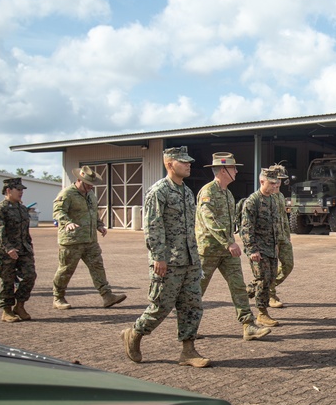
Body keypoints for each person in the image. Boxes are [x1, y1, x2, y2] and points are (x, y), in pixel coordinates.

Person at [121, 147, 209, 368]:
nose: (189, 165)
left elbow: (191, 228)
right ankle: (134, 333)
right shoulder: (158, 191)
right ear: (170, 164)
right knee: (161, 306)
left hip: (189, 260)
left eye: (189, 161)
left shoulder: (187, 192)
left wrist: (196, 258)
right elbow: (153, 226)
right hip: (168, 261)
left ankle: (188, 351)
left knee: (192, 306)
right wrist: (159, 257)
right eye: (183, 162)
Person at [195, 152, 270, 341]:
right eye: (233, 168)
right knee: (196, 291)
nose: (236, 171)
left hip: (227, 251)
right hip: (209, 252)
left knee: (238, 287)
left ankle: (248, 325)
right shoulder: (208, 192)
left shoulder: (227, 193)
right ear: (223, 170)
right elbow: (209, 220)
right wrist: (229, 241)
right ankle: (189, 327)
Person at [51, 166, 127, 310]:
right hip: (72, 241)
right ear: (79, 180)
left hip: (90, 240)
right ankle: (58, 297)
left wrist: (99, 225)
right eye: (88, 184)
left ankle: (107, 296)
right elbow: (58, 211)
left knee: (97, 267)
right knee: (66, 269)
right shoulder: (67, 194)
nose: (91, 187)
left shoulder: (91, 194)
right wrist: (67, 222)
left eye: (92, 184)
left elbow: (93, 213)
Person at [239, 166, 284, 328]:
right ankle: (262, 313)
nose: (274, 186)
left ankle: (244, 294)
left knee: (269, 279)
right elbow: (246, 228)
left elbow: (275, 224)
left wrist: (277, 245)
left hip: (271, 248)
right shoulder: (253, 201)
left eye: (276, 183)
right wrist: (252, 249)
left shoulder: (272, 199)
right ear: (262, 181)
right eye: (271, 183)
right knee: (263, 280)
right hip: (259, 249)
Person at [0, 178, 37, 322]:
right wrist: (8, 248)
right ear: (8, 190)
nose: (21, 192)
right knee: (7, 281)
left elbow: (25, 231)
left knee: (30, 276)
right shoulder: (0, 209)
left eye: (22, 190)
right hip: (6, 252)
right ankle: (6, 310)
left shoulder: (22, 209)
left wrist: (29, 246)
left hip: (23, 249)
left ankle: (20, 306)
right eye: (18, 190)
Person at [268, 163, 293, 308]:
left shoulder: (281, 196)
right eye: (276, 179)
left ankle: (263, 286)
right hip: (271, 239)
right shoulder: (267, 196)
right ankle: (270, 294)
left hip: (283, 237)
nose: (278, 182)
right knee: (271, 267)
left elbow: (284, 217)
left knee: (288, 265)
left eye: (281, 179)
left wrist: (288, 235)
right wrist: (274, 241)